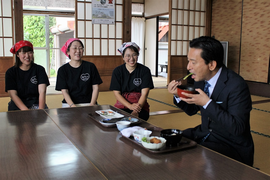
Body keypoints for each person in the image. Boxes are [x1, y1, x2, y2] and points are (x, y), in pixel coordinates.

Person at [167, 36, 254, 166]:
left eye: (193, 62)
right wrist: (177, 95)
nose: (188, 67)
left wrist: (207, 103)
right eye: (188, 61)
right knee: (169, 138)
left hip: (230, 143)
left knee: (190, 161)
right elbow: (192, 110)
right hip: (204, 133)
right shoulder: (200, 80)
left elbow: (237, 128)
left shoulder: (236, 85)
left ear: (212, 64)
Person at [110, 42, 154, 121]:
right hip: (122, 104)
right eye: (128, 55)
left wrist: (135, 110)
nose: (131, 58)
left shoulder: (145, 71)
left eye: (134, 55)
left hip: (140, 105)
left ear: (138, 55)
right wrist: (129, 106)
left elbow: (144, 94)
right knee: (118, 121)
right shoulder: (117, 71)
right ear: (123, 57)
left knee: (136, 121)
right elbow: (117, 93)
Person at [56, 38, 103, 107]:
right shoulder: (62, 70)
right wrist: (73, 106)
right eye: (74, 48)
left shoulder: (90, 66)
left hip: (89, 103)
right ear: (68, 51)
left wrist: (92, 104)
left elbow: (95, 87)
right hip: (69, 105)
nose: (78, 51)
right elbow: (64, 91)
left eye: (80, 48)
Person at [5, 40, 50, 111]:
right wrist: (27, 111)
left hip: (36, 105)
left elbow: (42, 91)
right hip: (17, 107)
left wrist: (41, 111)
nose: (27, 56)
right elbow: (13, 94)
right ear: (17, 55)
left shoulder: (40, 69)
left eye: (30, 52)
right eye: (24, 53)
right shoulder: (11, 72)